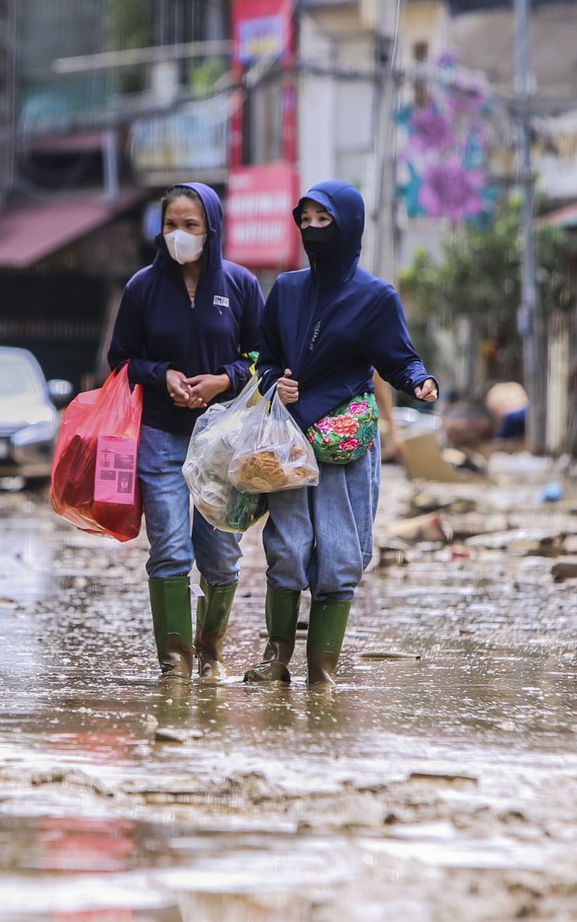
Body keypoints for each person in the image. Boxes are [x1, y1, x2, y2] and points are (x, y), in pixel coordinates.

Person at [248, 181, 438, 687]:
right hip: (287, 440)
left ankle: (322, 670)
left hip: (344, 442)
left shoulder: (376, 297)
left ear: (349, 225)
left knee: (339, 552)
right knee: (287, 548)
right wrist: (274, 381)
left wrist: (420, 381)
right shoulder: (285, 290)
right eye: (304, 220)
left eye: (323, 220)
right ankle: (275, 659)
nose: (311, 230)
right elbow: (263, 358)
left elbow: (400, 357)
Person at [107, 183, 264, 679]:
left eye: (190, 226)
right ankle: (175, 663)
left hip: (224, 440)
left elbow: (262, 357)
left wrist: (225, 378)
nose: (178, 235)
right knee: (171, 548)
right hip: (161, 431)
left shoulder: (240, 285)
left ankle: (210, 651)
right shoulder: (142, 288)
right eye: (170, 225)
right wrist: (162, 375)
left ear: (211, 229)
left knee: (220, 555)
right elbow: (121, 360)